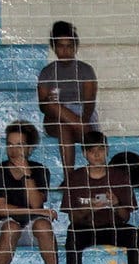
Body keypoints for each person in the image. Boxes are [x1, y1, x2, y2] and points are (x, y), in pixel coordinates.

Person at [61, 130, 139, 264]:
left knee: (134, 234)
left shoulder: (119, 176)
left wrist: (115, 203)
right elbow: (73, 218)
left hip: (113, 227)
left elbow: (125, 217)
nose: (97, 154)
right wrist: (90, 208)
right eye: (91, 150)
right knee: (72, 233)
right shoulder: (75, 178)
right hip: (86, 227)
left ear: (107, 150)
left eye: (100, 149)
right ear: (84, 153)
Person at [0, 121, 62, 264]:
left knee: (43, 225)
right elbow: (1, 209)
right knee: (12, 227)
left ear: (29, 148)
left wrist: (27, 174)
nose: (14, 150)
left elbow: (37, 201)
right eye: (10, 144)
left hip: (32, 226)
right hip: (6, 227)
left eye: (19, 145)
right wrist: (38, 211)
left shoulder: (39, 170)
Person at [36, 21, 97, 172]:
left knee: (64, 127)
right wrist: (56, 107)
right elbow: (43, 107)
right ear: (55, 48)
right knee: (53, 108)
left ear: (75, 47)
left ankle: (69, 177)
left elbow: (89, 103)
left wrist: (82, 119)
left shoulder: (85, 70)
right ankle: (79, 125)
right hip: (55, 119)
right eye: (61, 46)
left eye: (69, 46)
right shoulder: (47, 72)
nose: (65, 51)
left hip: (82, 116)